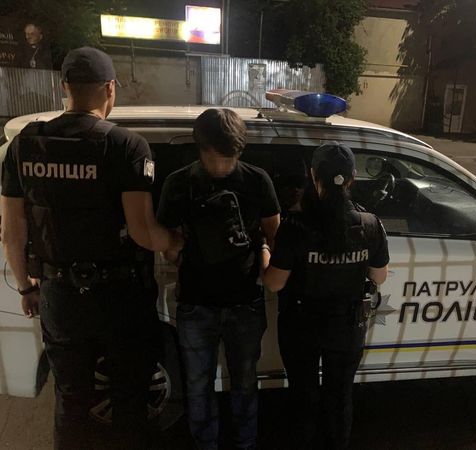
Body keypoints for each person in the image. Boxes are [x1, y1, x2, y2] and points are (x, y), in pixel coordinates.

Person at [1, 46, 183, 450]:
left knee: (71, 402)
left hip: (60, 295)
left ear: (63, 86)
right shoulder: (126, 146)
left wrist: (27, 287)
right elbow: (143, 233)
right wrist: (176, 242)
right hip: (121, 298)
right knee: (129, 399)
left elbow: (11, 231)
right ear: (110, 88)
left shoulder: (25, 145)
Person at [157, 108, 280, 450]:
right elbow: (165, 243)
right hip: (196, 304)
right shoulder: (178, 183)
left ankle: (245, 443)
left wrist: (266, 260)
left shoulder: (257, 180)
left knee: (246, 381)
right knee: (198, 384)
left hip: (246, 302)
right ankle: (205, 444)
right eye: (216, 157)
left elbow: (275, 234)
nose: (224, 165)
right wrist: (179, 253)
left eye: (232, 157)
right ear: (200, 148)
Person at [263, 142, 389, 450]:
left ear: (313, 175)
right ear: (352, 178)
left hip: (301, 328)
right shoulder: (369, 224)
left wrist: (265, 250)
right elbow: (379, 276)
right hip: (347, 327)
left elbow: (274, 284)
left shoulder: (295, 226)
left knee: (303, 396)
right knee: (340, 397)